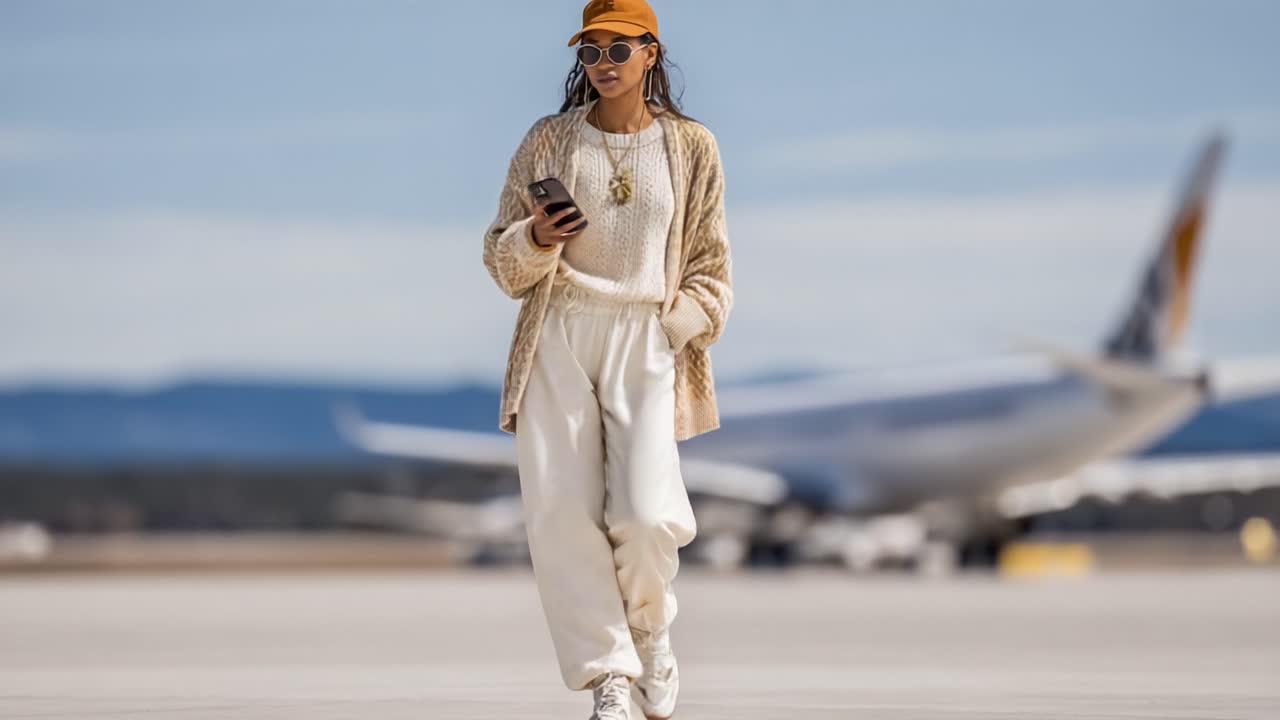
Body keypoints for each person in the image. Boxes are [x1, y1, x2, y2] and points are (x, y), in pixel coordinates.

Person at [481, 0, 733, 717]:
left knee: (648, 513)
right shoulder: (548, 141)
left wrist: (674, 328)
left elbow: (712, 270)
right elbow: (503, 265)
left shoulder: (691, 147)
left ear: (651, 53)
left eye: (619, 50)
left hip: (646, 336)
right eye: (590, 52)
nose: (603, 65)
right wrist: (536, 237)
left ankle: (651, 634)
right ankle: (609, 678)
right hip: (558, 331)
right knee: (561, 515)